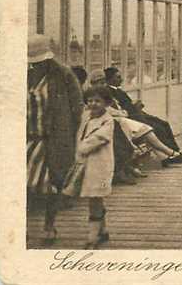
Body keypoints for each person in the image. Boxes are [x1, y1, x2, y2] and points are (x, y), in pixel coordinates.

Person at [27, 34, 83, 245]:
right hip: (28, 138)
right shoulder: (21, 75)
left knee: (53, 183)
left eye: (39, 62)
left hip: (53, 139)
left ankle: (49, 225)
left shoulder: (63, 75)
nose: (36, 66)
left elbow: (77, 107)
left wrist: (68, 134)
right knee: (24, 183)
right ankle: (20, 227)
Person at [104, 67, 182, 162]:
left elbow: (126, 104)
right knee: (157, 128)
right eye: (118, 77)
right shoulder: (109, 92)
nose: (121, 79)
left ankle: (175, 151)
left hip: (138, 114)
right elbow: (120, 108)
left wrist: (135, 105)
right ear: (109, 79)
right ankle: (170, 155)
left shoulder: (118, 90)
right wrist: (133, 106)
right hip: (133, 117)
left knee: (164, 124)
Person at [69, 85, 116, 249]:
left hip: (99, 165)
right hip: (85, 164)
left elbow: (98, 138)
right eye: (90, 100)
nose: (93, 104)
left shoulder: (108, 121)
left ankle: (92, 237)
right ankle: (102, 230)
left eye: (98, 101)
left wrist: (81, 147)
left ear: (107, 103)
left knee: (95, 197)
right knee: (95, 197)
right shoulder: (86, 117)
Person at [88, 69, 143, 184]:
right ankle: (120, 171)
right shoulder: (92, 95)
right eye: (100, 83)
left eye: (104, 83)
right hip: (93, 125)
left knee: (120, 130)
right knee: (116, 137)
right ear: (93, 83)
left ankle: (125, 167)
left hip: (105, 121)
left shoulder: (102, 94)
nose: (103, 85)